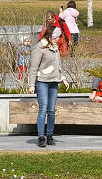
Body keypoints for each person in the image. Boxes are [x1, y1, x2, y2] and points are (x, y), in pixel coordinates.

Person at [28, 19, 70, 148]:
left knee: (51, 110)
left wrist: (63, 78)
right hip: (42, 82)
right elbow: (33, 67)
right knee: (43, 109)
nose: (58, 39)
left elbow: (58, 66)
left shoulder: (56, 49)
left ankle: (50, 135)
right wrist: (31, 84)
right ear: (51, 37)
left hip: (54, 82)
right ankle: (41, 136)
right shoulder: (40, 48)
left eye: (58, 37)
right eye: (57, 37)